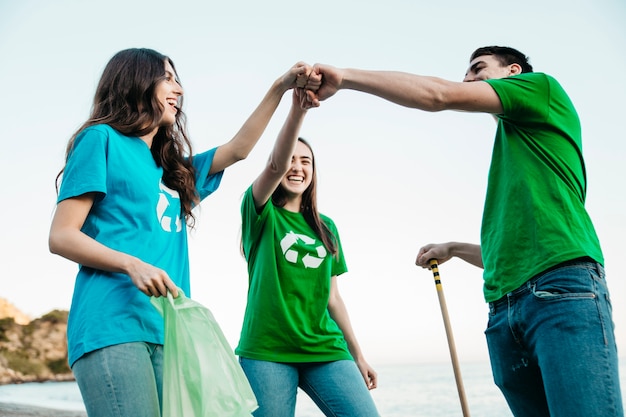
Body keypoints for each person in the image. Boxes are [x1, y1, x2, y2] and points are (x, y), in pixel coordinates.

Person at [305, 46, 623, 417]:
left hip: (561, 290)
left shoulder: (540, 88)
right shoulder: (516, 149)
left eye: (477, 69)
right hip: (505, 309)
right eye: (467, 73)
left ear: (513, 71)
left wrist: (345, 78)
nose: (468, 79)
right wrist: (453, 248)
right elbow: (507, 256)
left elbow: (438, 95)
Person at [48, 47, 317, 417]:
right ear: (137, 80)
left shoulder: (172, 171)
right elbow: (61, 235)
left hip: (168, 332)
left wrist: (281, 88)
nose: (180, 89)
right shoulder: (101, 140)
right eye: (168, 77)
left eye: (179, 79)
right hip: (111, 323)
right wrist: (132, 265)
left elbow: (239, 149)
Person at [236, 90, 380, 417]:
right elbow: (273, 164)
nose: (297, 168)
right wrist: (298, 111)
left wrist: (357, 354)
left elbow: (333, 299)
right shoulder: (260, 214)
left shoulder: (326, 226)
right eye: (291, 159)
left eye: (306, 161)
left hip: (325, 348)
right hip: (267, 351)